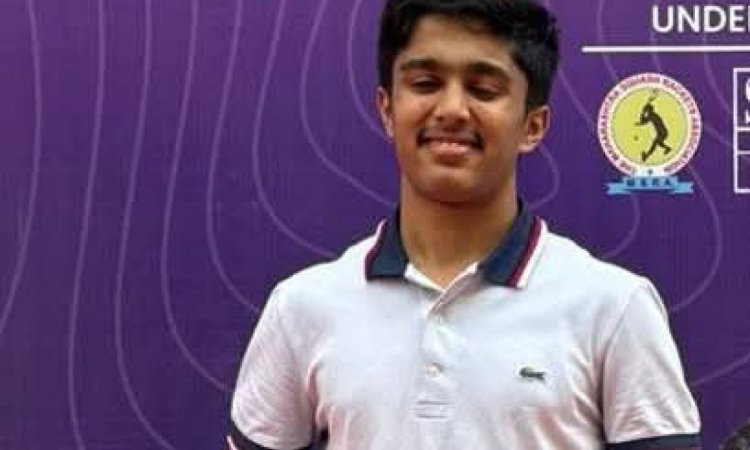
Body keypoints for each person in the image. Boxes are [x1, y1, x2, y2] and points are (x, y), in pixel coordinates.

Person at [228, 0, 702, 449]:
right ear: (387, 109)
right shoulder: (303, 308)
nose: (452, 110)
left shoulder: (613, 308)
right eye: (426, 83)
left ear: (532, 126)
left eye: (484, 90)